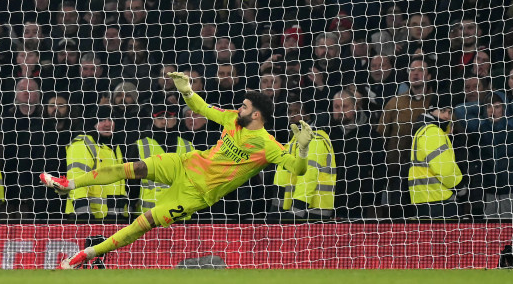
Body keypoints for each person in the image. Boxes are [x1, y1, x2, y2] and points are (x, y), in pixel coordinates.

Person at [40, 72, 311, 269]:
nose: (238, 108)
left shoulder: (268, 146)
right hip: (185, 163)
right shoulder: (232, 119)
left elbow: (297, 169)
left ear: (255, 115)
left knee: (142, 223)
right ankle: (68, 184)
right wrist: (187, 92)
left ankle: (86, 255)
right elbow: (203, 109)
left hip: (195, 194)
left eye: (244, 106)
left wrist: (302, 149)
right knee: (133, 167)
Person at [408, 106, 462, 219]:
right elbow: (444, 169)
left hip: (424, 198)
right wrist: (460, 187)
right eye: (443, 111)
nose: (447, 116)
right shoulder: (432, 132)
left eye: (450, 112)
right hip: (439, 199)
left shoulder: (423, 130)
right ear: (431, 110)